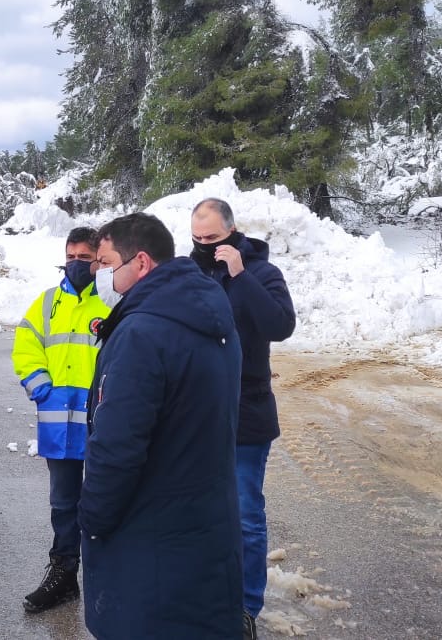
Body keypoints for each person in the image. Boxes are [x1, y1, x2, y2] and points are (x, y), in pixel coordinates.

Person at [80, 212, 245, 639]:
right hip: (204, 526)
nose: (99, 273)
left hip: (149, 537)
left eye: (105, 261)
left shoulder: (142, 332)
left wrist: (93, 519)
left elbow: (117, 448)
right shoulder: (211, 315)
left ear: (141, 263)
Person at [190, 198, 297, 640]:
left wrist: (240, 274)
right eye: (196, 239)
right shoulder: (190, 273)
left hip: (246, 411)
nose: (203, 246)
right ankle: (204, 594)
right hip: (195, 413)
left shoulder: (262, 273)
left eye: (212, 239)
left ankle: (246, 606)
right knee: (196, 510)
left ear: (233, 233)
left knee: (245, 513)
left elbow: (280, 325)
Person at [12, 226, 110, 614]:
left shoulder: (111, 300)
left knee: (106, 502)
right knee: (63, 503)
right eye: (70, 257)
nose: (75, 264)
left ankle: (108, 578)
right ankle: (64, 574)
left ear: (98, 260)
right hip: (59, 425)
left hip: (104, 424)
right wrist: (41, 387)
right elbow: (25, 344)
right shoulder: (47, 302)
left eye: (83, 258)